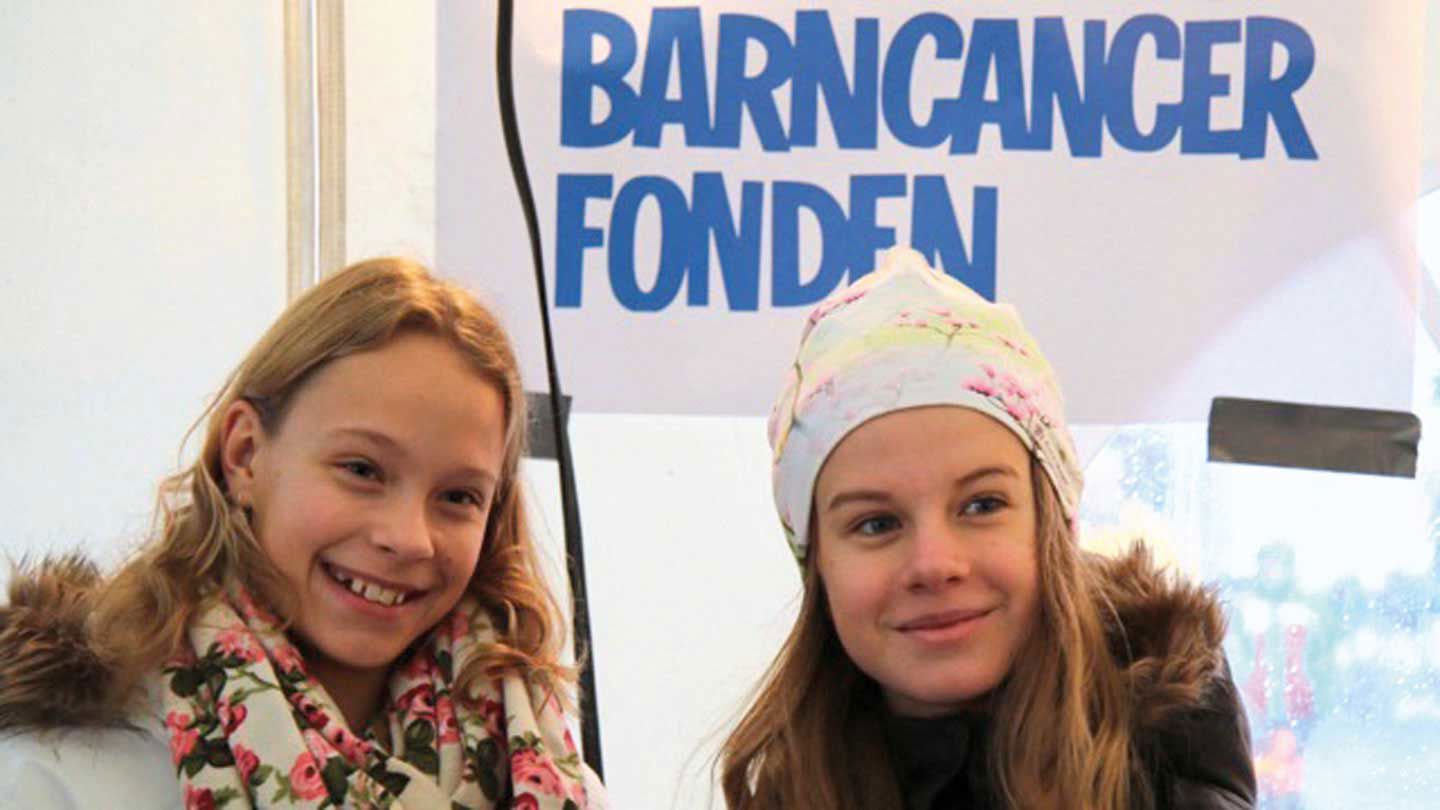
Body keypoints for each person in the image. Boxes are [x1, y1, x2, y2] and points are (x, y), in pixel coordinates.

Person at [0, 258, 608, 809]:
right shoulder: (58, 774)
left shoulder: (546, 775)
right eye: (362, 470)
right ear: (244, 454)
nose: (409, 538)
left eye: (457, 497)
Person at [719, 247, 1256, 810]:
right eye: (876, 523)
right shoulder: (789, 791)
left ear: (1051, 523)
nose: (934, 564)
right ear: (819, 564)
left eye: (981, 505)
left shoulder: (1175, 768)